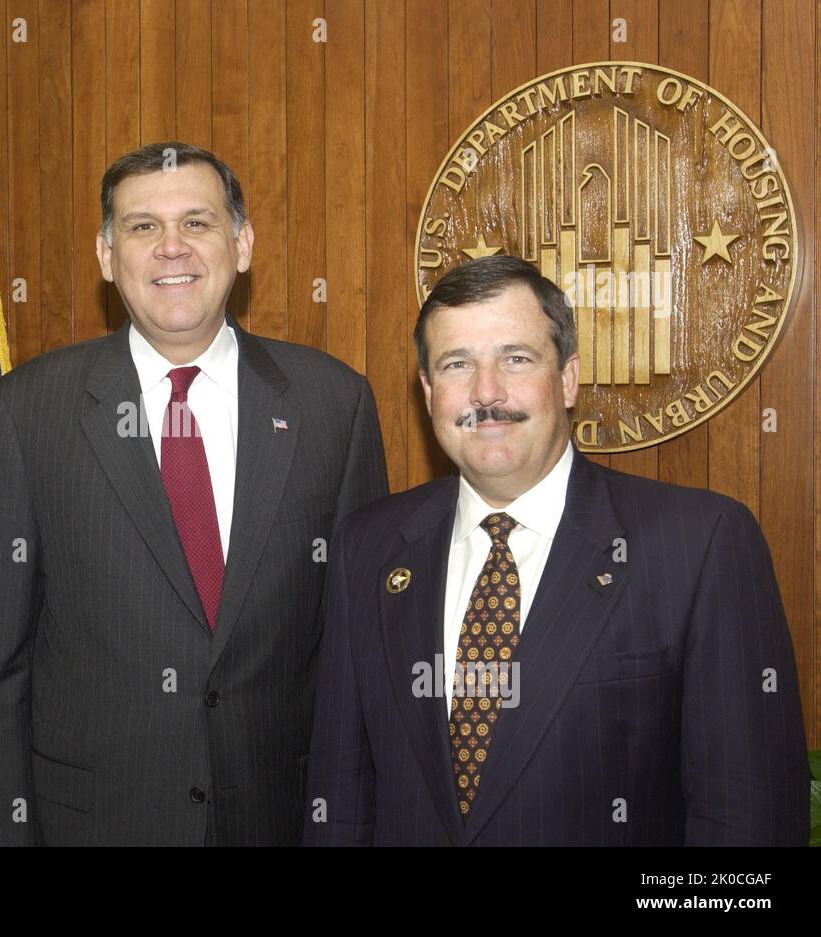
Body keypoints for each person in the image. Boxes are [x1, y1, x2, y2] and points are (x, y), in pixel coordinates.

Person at [0, 142, 389, 845]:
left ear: (242, 243)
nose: (171, 249)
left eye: (197, 222)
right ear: (106, 255)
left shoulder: (333, 404)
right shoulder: (27, 411)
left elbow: (357, 655)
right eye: (141, 227)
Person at [304, 254, 809, 845]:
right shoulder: (367, 548)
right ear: (427, 390)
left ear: (567, 379)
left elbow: (746, 824)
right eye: (456, 364)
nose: (485, 392)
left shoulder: (699, 545)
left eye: (516, 359)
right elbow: (340, 798)